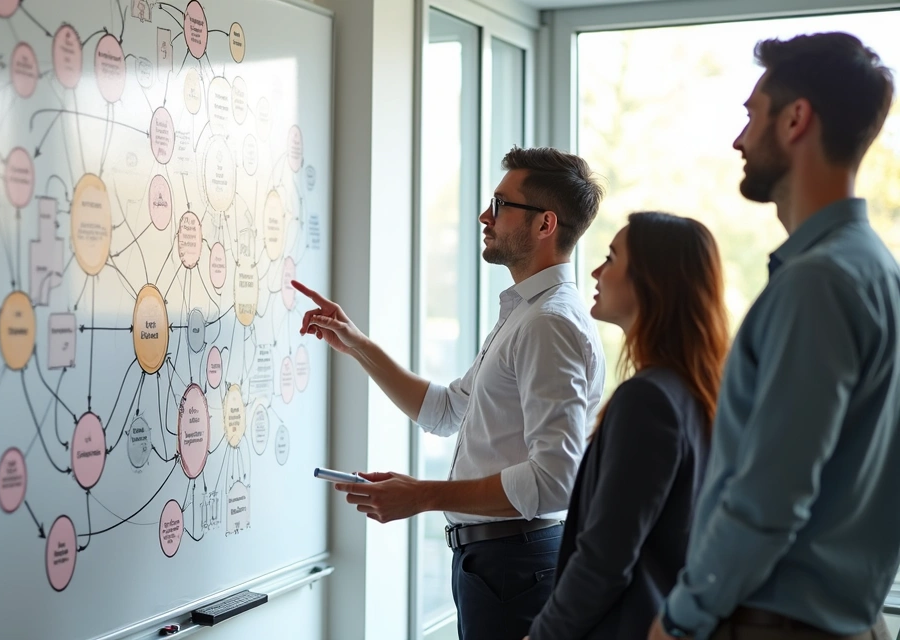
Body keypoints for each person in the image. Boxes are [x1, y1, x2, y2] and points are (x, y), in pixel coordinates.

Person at [293, 146, 606, 640]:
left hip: (516, 564)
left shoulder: (548, 324)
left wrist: (421, 495)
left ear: (546, 225)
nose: (486, 216)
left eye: (502, 205)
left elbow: (556, 479)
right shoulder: (526, 314)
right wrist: (356, 344)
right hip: (498, 563)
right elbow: (445, 411)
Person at [648, 32, 900, 640]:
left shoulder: (817, 283)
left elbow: (768, 498)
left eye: (750, 116)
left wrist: (679, 620)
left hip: (773, 624)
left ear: (795, 119)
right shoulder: (879, 272)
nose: (738, 139)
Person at [524, 212, 730, 640]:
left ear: (651, 281)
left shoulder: (648, 400)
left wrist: (543, 636)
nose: (596, 271)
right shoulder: (697, 393)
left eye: (611, 258)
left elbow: (604, 556)